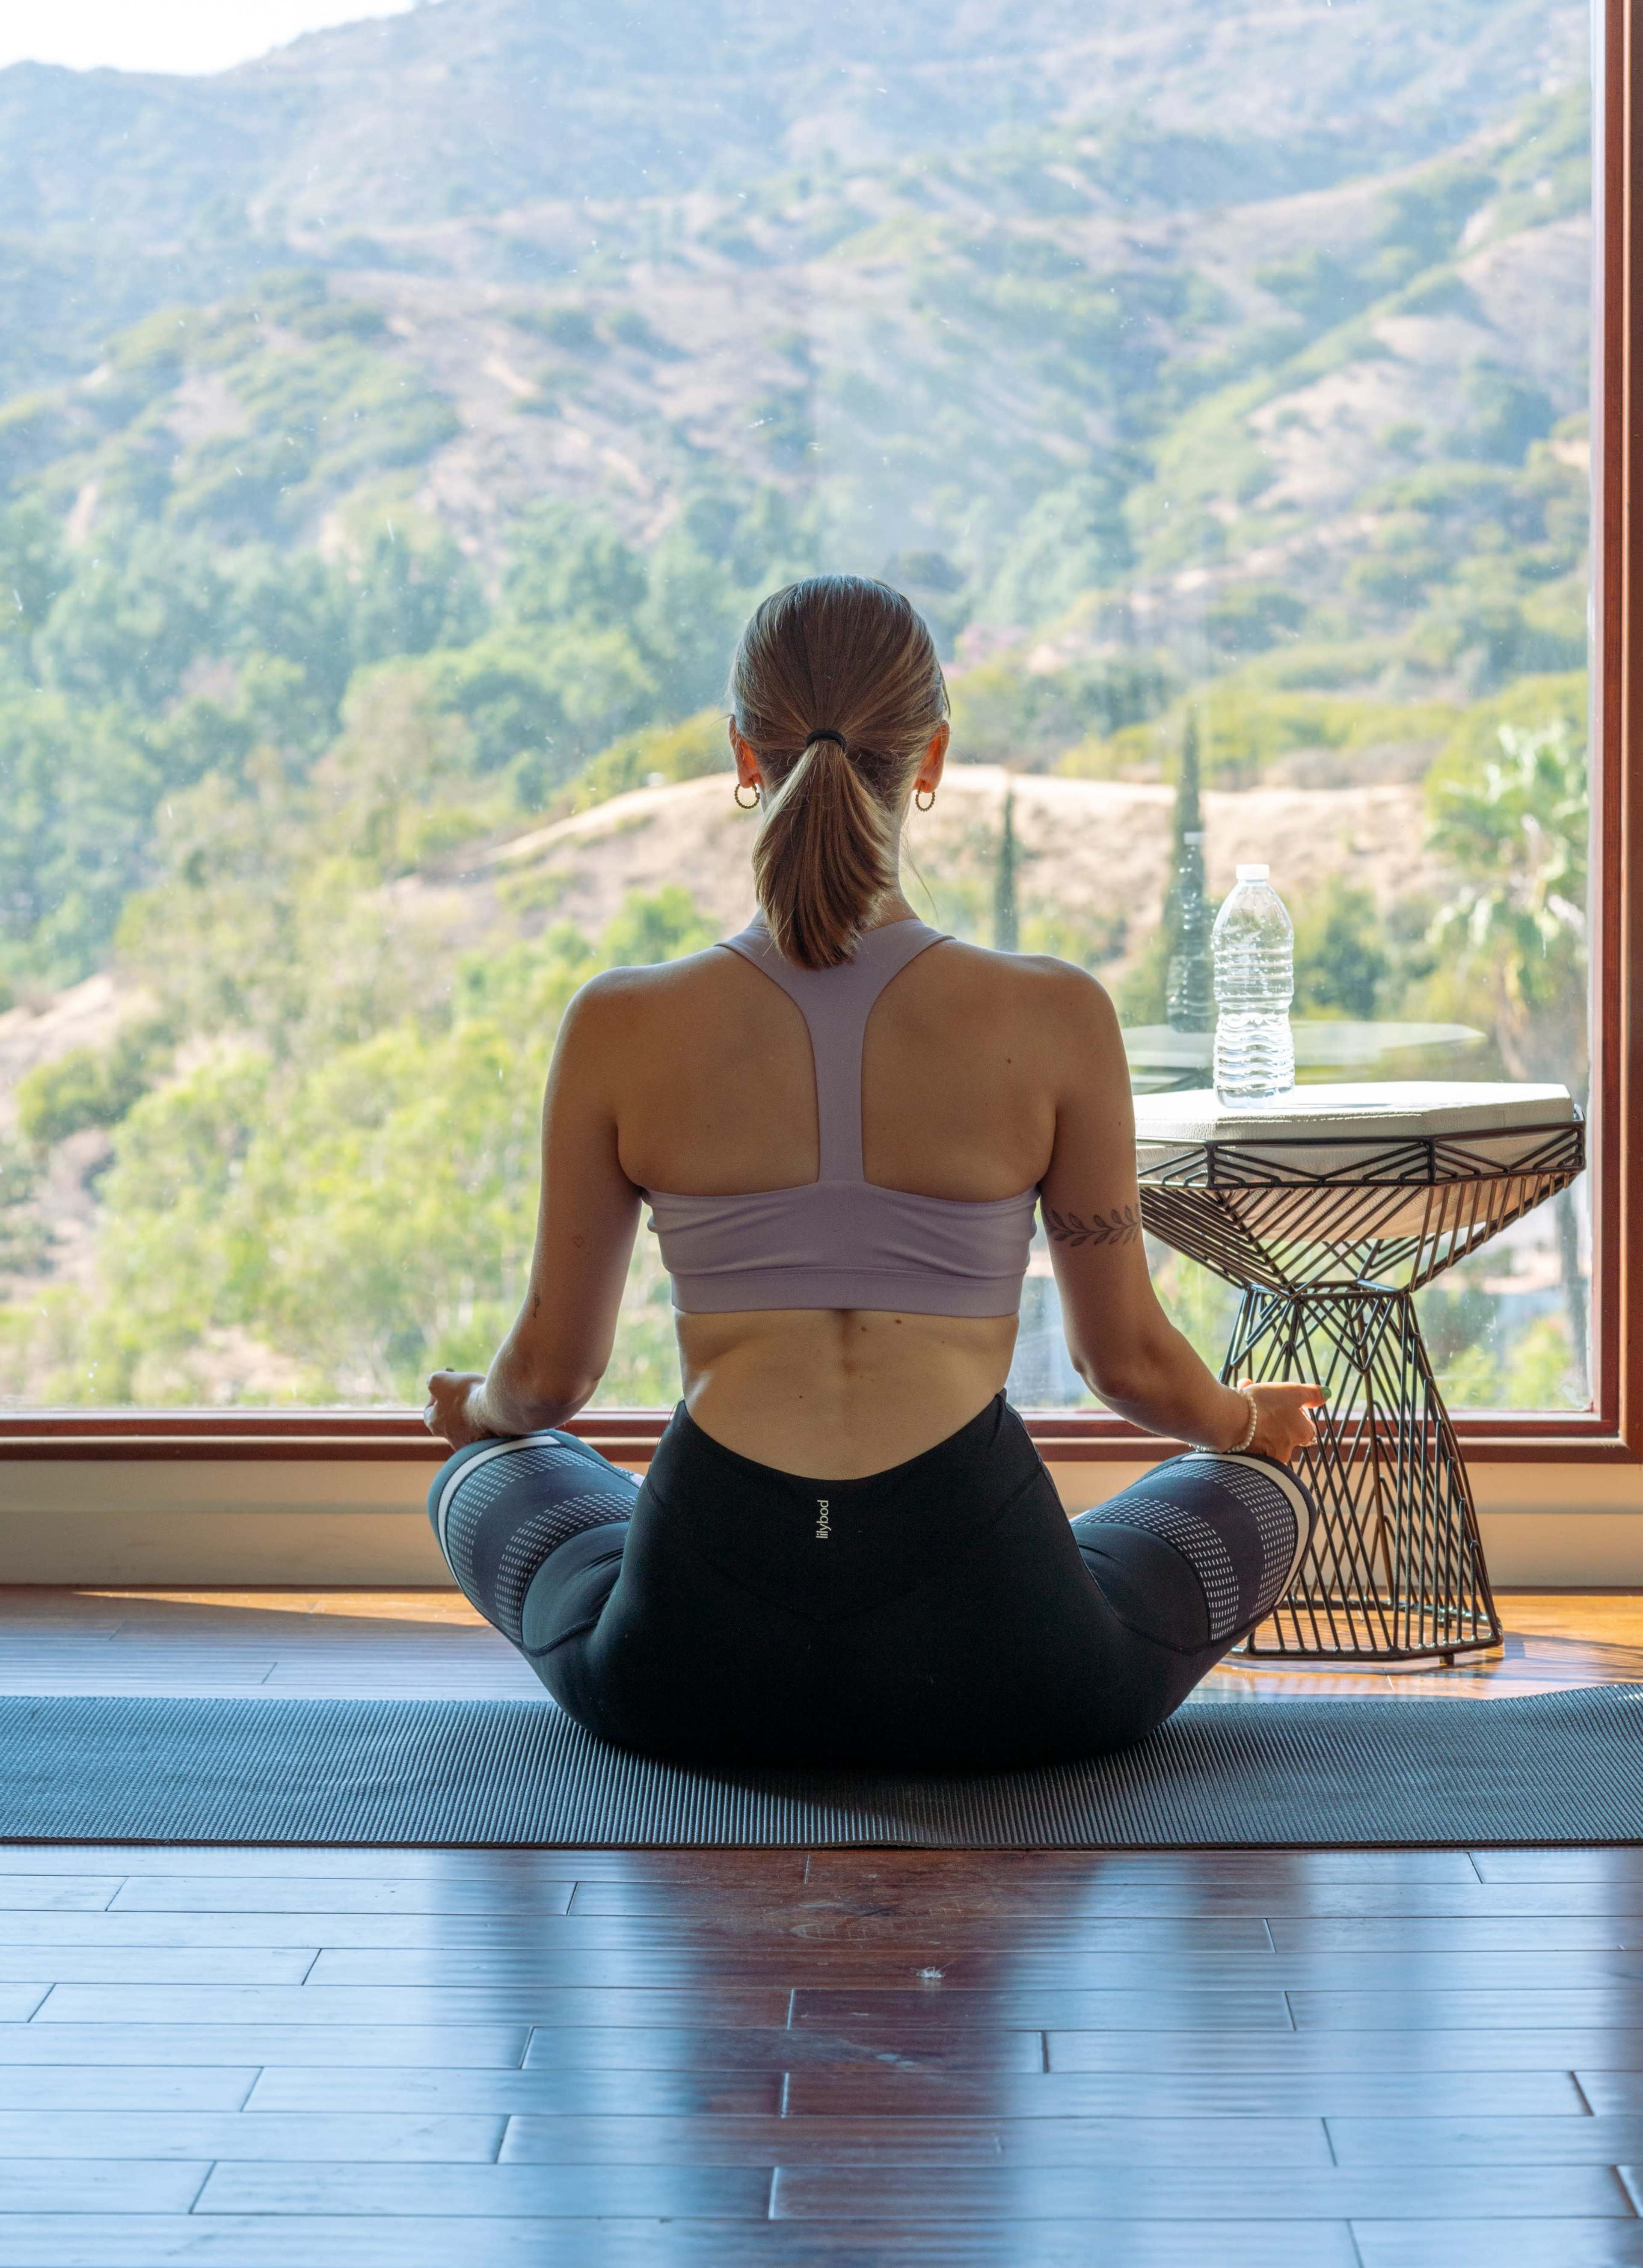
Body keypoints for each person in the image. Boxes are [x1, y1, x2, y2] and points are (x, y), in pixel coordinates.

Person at [424, 575, 1320, 1772]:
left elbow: (547, 1376)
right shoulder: (1052, 1015)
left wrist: (474, 1417)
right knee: (1258, 1502)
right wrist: (1244, 1426)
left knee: (500, 1469)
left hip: (695, 1669)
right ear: (932, 757)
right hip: (1005, 1663)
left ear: (745, 755)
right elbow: (1130, 1365)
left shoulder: (621, 1025)